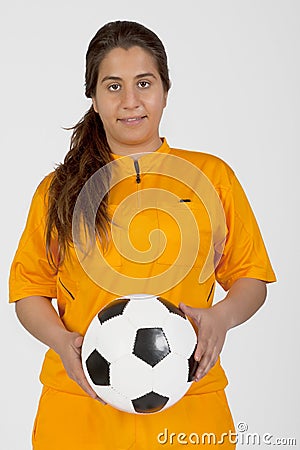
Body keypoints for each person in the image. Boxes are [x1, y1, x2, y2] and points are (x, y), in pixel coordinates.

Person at [9, 20, 276, 450]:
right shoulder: (58, 189)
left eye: (144, 83)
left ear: (165, 91)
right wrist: (62, 342)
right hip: (79, 411)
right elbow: (28, 290)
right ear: (93, 98)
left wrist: (221, 318)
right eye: (112, 86)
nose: (130, 101)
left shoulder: (213, 178)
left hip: (191, 411)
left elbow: (252, 278)